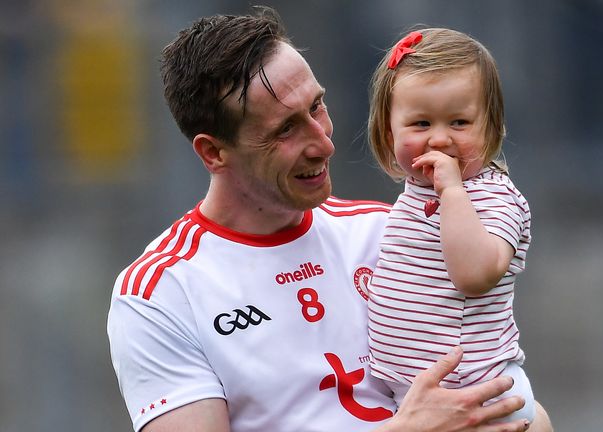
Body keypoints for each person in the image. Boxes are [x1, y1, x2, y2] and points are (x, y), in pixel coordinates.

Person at [106, 5, 549, 432]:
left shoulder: (387, 230)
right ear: (213, 152)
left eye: (317, 107)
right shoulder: (161, 294)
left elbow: (517, 409)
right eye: (285, 129)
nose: (323, 143)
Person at [366, 28, 540, 426]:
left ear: (492, 129)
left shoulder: (493, 197)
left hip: (478, 394)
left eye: (460, 122)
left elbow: (475, 275)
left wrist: (453, 192)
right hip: (422, 398)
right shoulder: (416, 192)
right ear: (388, 133)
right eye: (421, 123)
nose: (440, 139)